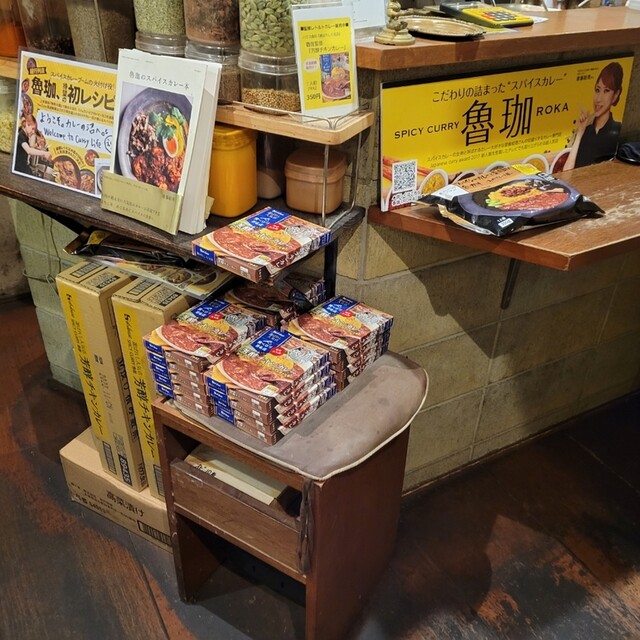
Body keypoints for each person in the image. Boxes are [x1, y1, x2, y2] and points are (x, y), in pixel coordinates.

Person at [564, 62, 624, 171]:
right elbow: (567, 172)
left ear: (616, 95)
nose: (598, 99)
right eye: (597, 90)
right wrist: (580, 133)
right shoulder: (585, 131)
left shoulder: (618, 131)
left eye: (606, 91)